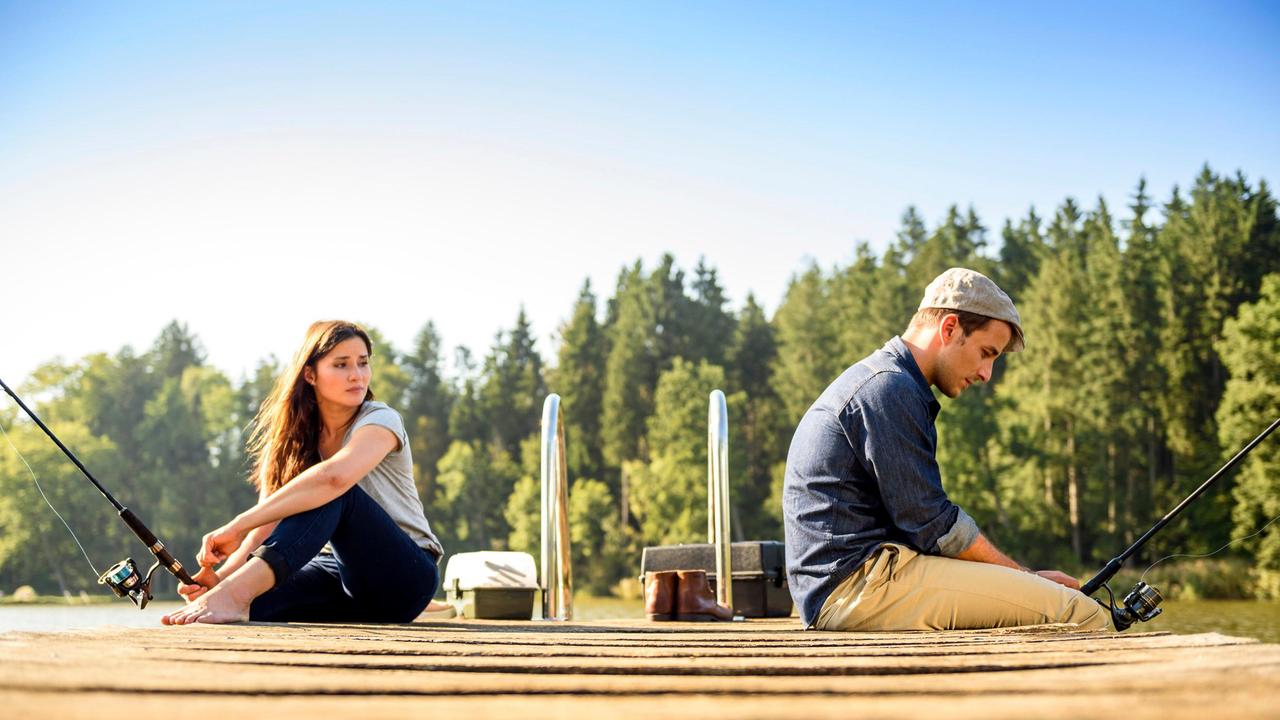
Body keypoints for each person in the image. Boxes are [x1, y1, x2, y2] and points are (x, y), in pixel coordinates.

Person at [782, 268, 1111, 632]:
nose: (987, 374)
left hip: (857, 583)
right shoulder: (888, 389)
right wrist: (1028, 577)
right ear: (950, 328)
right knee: (1080, 612)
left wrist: (1026, 582)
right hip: (854, 590)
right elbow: (931, 523)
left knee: (1048, 605)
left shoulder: (889, 382)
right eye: (987, 353)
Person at [162, 320, 444, 625]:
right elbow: (267, 525)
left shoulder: (380, 421)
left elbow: (334, 479)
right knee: (249, 607)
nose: (356, 375)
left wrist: (236, 525)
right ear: (310, 374)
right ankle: (231, 596)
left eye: (363, 363)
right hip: (334, 574)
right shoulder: (292, 440)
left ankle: (233, 596)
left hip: (404, 576)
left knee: (334, 494)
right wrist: (221, 578)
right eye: (341, 365)